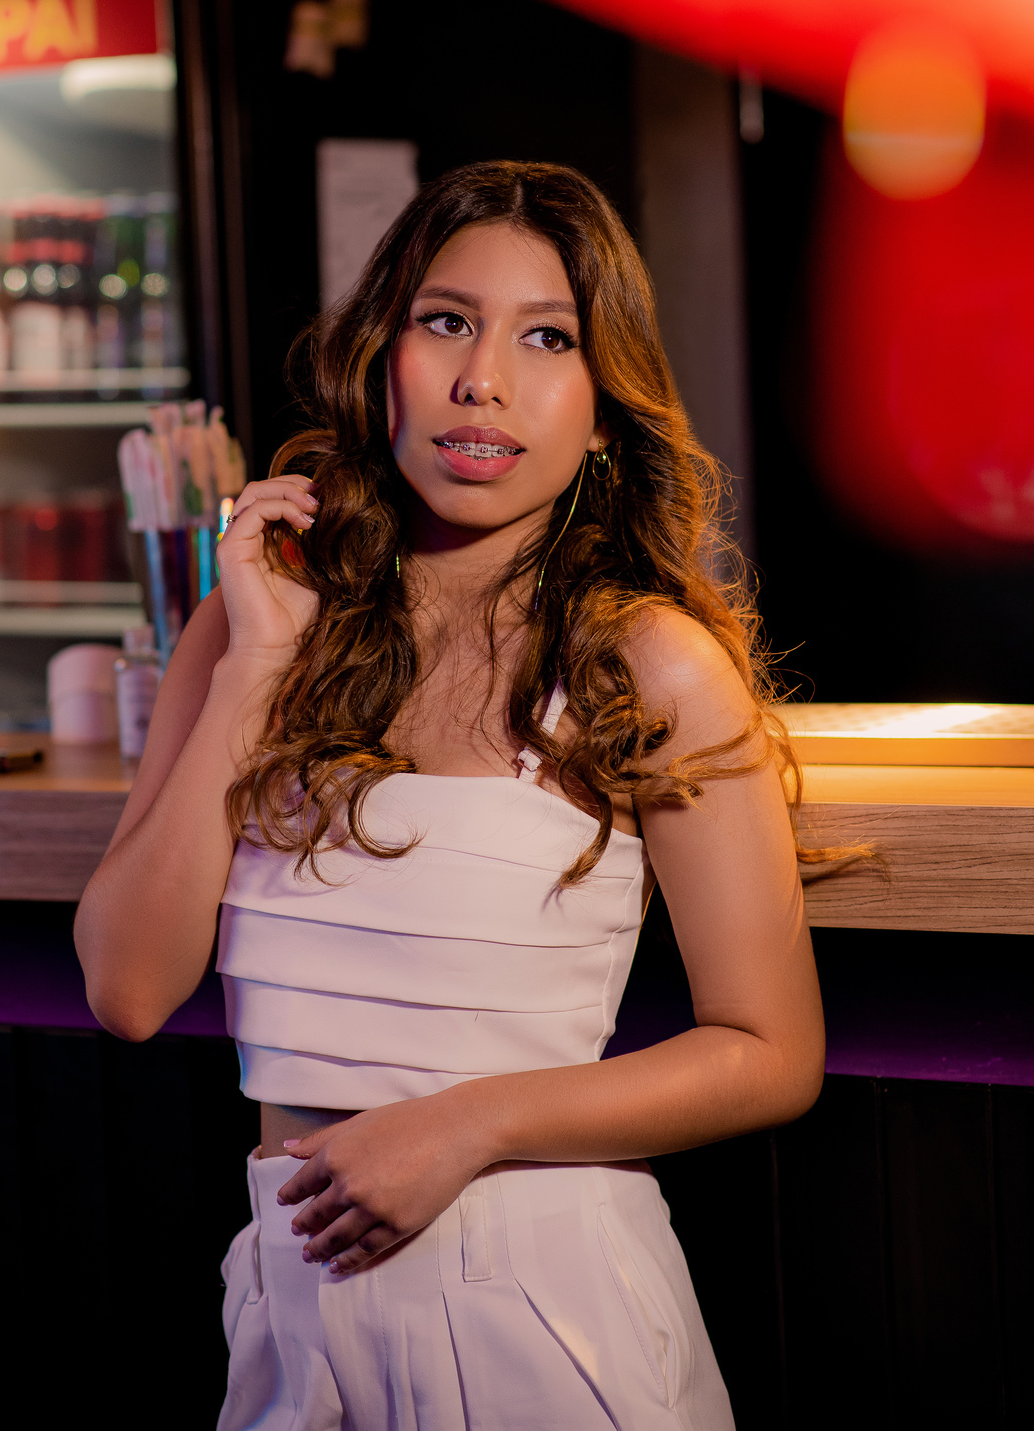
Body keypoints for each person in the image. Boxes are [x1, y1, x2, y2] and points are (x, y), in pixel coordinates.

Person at [75, 161, 826, 1430]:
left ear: (604, 411)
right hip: (293, 1300)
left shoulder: (648, 662)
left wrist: (467, 1125)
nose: (485, 378)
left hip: (544, 1303)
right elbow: (129, 988)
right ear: (384, 356)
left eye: (548, 338)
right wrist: (255, 664)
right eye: (446, 321)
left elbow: (770, 1052)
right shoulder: (251, 625)